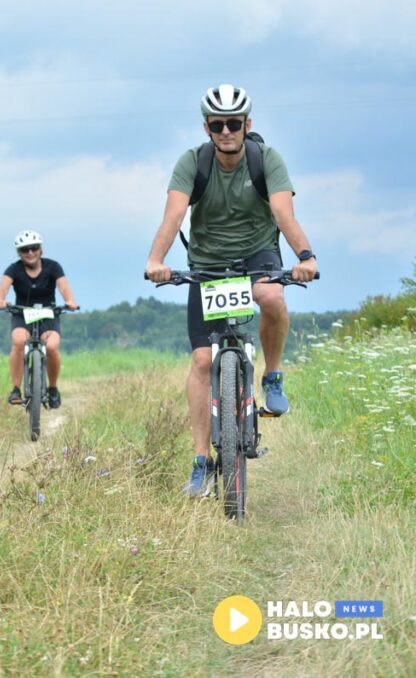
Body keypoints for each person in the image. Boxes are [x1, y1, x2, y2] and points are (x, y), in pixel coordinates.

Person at [144, 84, 318, 497]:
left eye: (234, 124)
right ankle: (201, 460)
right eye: (218, 124)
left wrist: (306, 256)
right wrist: (156, 260)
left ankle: (272, 375)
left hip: (257, 253)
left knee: (271, 296)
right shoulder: (193, 162)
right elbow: (173, 215)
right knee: (202, 360)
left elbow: (283, 213)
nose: (226, 131)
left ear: (247, 124)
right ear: (206, 127)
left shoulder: (266, 160)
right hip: (208, 263)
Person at [0, 230, 79, 408]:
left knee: (52, 346)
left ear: (41, 249)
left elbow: (64, 287)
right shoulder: (13, 269)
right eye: (25, 249)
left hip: (48, 313)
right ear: (19, 253)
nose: (30, 252)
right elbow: (2, 290)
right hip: (22, 314)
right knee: (18, 342)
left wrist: (70, 301)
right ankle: (15, 389)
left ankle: (53, 388)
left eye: (34, 248)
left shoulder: (53, 266)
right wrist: (1, 301)